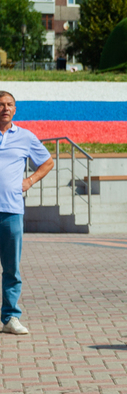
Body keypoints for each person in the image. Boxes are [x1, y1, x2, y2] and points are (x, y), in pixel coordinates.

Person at [0, 91, 53, 336]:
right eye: (1, 104)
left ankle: (10, 317)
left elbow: (47, 162)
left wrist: (30, 180)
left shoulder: (25, 137)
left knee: (11, 268)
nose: (5, 108)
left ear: (15, 109)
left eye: (9, 104)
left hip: (11, 211)